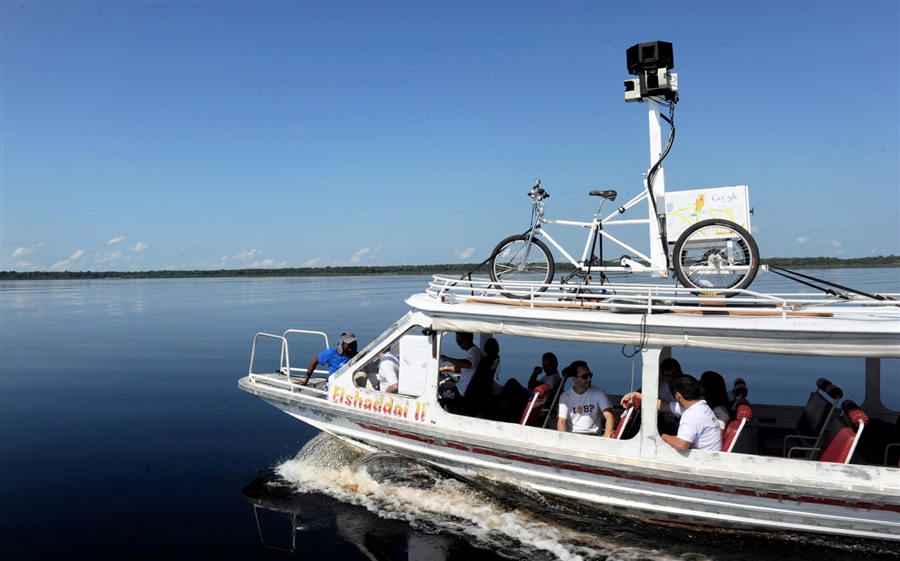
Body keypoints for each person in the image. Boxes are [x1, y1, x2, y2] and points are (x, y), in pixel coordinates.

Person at [621, 375, 723, 451]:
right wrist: (637, 395)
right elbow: (663, 405)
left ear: (678, 395)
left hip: (701, 462)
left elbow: (681, 445)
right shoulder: (700, 405)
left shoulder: (691, 415)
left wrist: (661, 436)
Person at [498, 352, 562, 421]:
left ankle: (502, 407)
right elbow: (531, 386)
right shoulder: (552, 377)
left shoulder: (552, 380)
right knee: (512, 384)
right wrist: (535, 374)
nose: (546, 368)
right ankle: (503, 403)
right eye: (544, 366)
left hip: (533, 405)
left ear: (556, 364)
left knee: (511, 383)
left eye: (549, 365)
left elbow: (546, 396)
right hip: (532, 400)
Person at [557, 361, 614, 437]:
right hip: (572, 435)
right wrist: (563, 438)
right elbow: (561, 421)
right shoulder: (565, 396)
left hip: (594, 435)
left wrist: (607, 434)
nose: (589, 379)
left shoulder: (599, 393)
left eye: (590, 375)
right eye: (585, 376)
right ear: (574, 379)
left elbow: (609, 416)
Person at [438, 332, 482, 406]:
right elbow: (463, 367)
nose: (458, 344)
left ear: (469, 339)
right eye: (457, 341)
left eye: (460, 341)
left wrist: (447, 358)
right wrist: (445, 368)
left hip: (461, 392)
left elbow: (467, 365)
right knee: (444, 385)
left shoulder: (473, 352)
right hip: (463, 388)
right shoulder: (474, 351)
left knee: (435, 393)